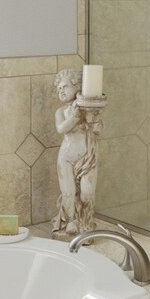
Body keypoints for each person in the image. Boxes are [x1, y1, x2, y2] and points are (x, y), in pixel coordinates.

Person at [52, 67, 100, 237]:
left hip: (88, 157)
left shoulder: (86, 109)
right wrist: (74, 117)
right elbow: (61, 129)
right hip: (66, 157)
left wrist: (93, 116)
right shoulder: (61, 112)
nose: (61, 91)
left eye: (64, 87)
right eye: (59, 89)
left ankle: (86, 221)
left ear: (77, 86)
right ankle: (71, 220)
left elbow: (98, 130)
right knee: (68, 193)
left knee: (87, 193)